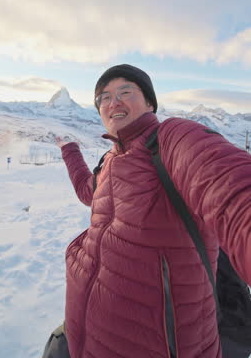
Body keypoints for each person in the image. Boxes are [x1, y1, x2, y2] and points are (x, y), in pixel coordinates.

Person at [46, 64, 251, 358]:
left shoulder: (172, 139)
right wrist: (70, 151)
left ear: (150, 103)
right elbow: (86, 191)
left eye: (125, 92)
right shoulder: (109, 162)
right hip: (85, 338)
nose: (113, 102)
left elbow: (228, 185)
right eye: (103, 97)